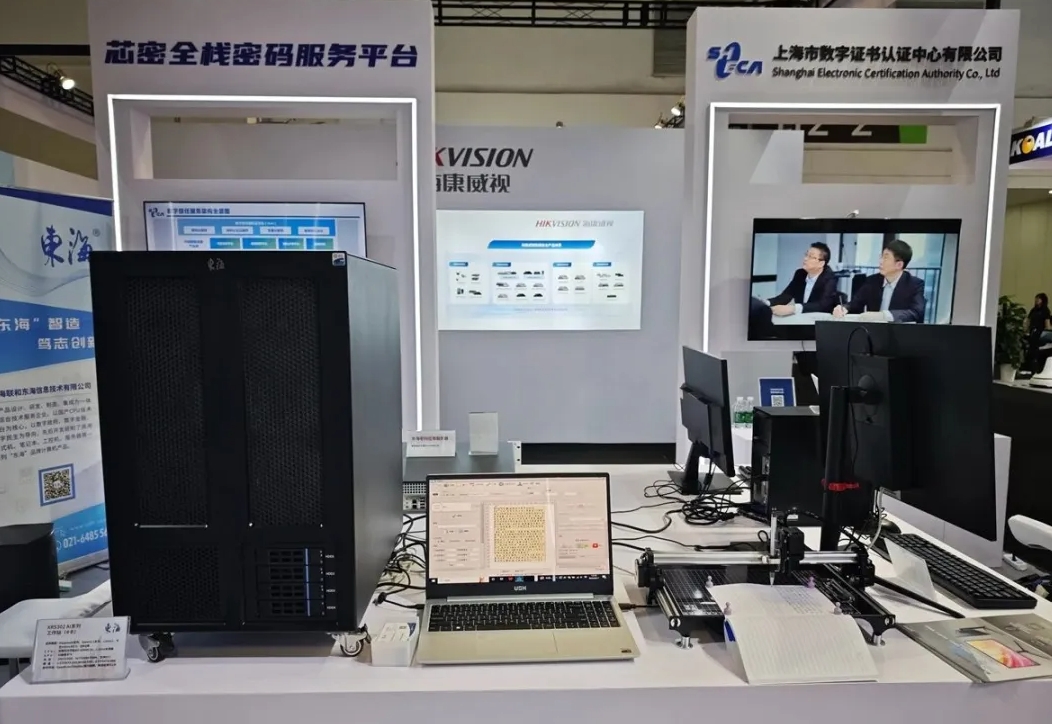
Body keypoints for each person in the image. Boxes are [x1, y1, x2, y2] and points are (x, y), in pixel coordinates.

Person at [748, 242, 838, 338]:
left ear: (821, 263)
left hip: (819, 328)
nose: (805, 259)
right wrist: (765, 303)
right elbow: (786, 296)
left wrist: (793, 308)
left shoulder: (830, 278)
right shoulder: (800, 274)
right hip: (800, 322)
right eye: (806, 255)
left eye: (810, 256)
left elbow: (822, 305)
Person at [832, 239, 926, 323]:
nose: (880, 261)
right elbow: (856, 303)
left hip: (897, 333)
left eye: (886, 258)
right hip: (873, 332)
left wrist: (884, 316)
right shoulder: (872, 281)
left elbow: (916, 312)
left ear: (899, 265)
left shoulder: (914, 284)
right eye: (881, 257)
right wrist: (844, 308)